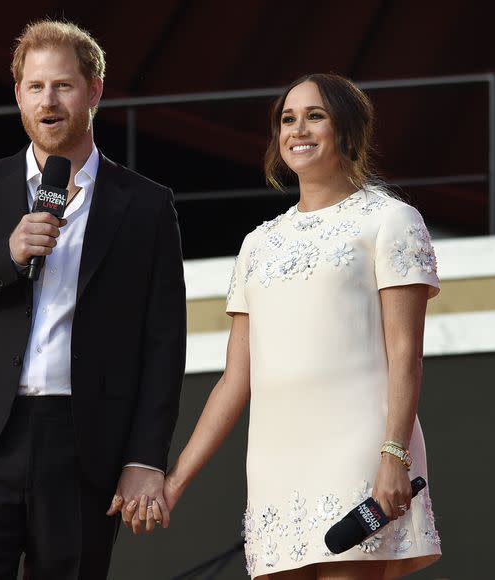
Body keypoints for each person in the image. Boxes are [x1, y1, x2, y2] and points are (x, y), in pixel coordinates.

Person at [0, 19, 186, 579]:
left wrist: (144, 458)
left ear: (95, 90)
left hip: (83, 448)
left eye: (63, 85)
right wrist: (5, 258)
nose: (48, 100)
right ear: (18, 96)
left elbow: (164, 345)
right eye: (35, 87)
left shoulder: (146, 206)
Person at [162, 74, 442, 579]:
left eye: (316, 115)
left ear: (349, 130)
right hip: (274, 464)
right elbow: (234, 380)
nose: (298, 129)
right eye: (287, 119)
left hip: (362, 450)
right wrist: (176, 480)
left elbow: (405, 353)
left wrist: (394, 455)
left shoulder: (391, 220)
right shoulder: (258, 243)